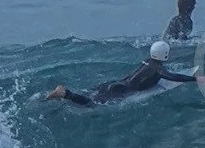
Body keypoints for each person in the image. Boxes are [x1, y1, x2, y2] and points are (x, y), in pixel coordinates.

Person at [46, 40, 196, 106]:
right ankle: (65, 93)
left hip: (115, 84)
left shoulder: (148, 62)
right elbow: (173, 77)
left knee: (90, 95)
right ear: (165, 54)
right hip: (122, 90)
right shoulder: (158, 69)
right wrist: (196, 79)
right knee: (92, 104)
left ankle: (61, 95)